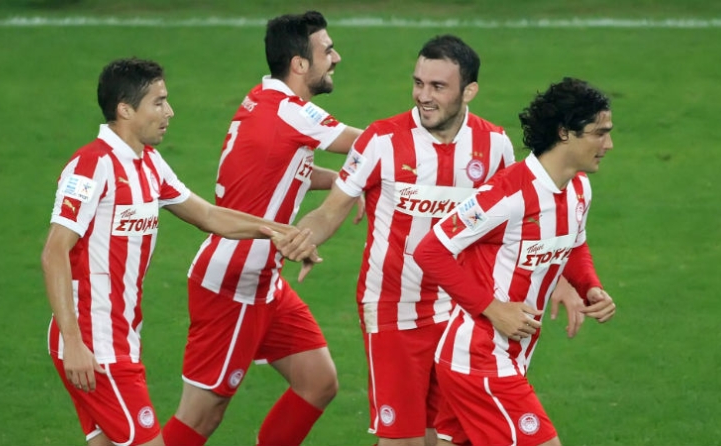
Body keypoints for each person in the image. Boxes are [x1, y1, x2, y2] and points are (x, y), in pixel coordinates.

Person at [278, 34, 532, 446]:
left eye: (437, 86)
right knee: (402, 441)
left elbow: (516, 226)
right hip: (393, 311)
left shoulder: (495, 146)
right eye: (418, 83)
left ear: (469, 91)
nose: (423, 96)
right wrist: (303, 238)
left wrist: (564, 280)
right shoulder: (381, 140)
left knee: (449, 438)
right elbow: (331, 209)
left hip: (462, 312)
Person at [41, 58, 308, 446]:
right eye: (159, 102)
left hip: (117, 338)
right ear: (125, 110)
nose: (170, 112)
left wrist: (279, 232)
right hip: (95, 345)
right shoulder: (91, 167)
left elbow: (208, 215)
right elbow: (54, 253)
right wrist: (75, 343)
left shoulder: (149, 163)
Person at [161, 11, 363, 446]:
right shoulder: (292, 111)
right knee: (201, 416)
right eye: (327, 51)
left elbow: (279, 169)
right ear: (299, 64)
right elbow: (373, 145)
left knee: (318, 382)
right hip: (235, 285)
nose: (336, 58)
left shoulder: (263, 97)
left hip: (264, 282)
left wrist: (340, 182)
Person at [412, 77, 618, 446]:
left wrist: (590, 286)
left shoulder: (578, 188)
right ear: (564, 133)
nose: (608, 144)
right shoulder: (506, 194)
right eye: (599, 133)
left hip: (508, 356)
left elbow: (574, 246)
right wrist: (493, 309)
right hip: (480, 359)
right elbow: (430, 250)